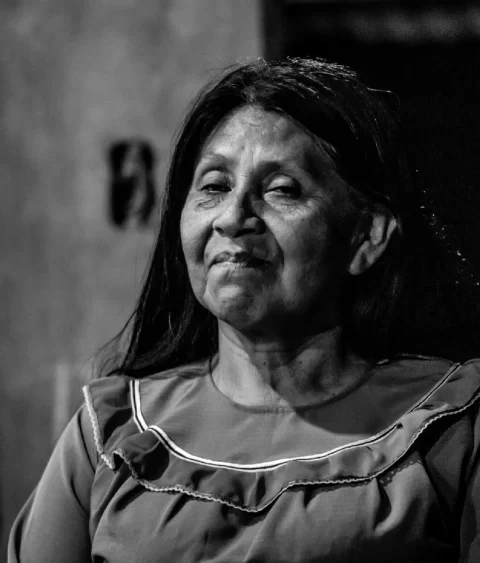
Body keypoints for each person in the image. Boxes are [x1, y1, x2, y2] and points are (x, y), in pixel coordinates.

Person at [8, 57, 480, 562]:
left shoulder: (451, 424)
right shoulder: (110, 436)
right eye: (214, 186)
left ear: (367, 236)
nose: (233, 217)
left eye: (282, 189)